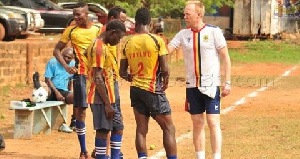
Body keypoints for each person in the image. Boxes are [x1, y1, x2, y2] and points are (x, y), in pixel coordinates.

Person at [167, 1, 231, 159]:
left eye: (188, 13)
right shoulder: (183, 34)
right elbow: (167, 50)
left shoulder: (214, 32)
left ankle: (217, 156)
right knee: (197, 123)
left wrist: (227, 81)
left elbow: (225, 58)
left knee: (213, 121)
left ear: (199, 14)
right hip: (192, 86)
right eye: (184, 13)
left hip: (211, 85)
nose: (185, 16)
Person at [119, 7, 177, 159]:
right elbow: (165, 69)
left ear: (136, 22)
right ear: (150, 23)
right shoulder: (157, 40)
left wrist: (131, 78)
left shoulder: (127, 42)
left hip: (136, 90)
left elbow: (122, 72)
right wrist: (165, 82)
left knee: (141, 129)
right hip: (152, 88)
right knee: (169, 128)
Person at [52, 2, 102, 158]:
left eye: (78, 14)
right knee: (81, 112)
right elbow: (56, 50)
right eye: (74, 14)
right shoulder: (71, 31)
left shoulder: (99, 29)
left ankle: (99, 148)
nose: (75, 17)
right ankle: (83, 150)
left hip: (98, 76)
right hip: (80, 75)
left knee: (100, 111)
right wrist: (67, 67)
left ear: (87, 14)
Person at [85, 20, 126, 159]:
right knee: (103, 130)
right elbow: (97, 77)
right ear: (113, 32)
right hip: (101, 96)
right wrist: (107, 104)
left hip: (111, 93)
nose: (119, 41)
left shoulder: (101, 45)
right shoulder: (99, 47)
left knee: (118, 127)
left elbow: (85, 54)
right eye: (118, 37)